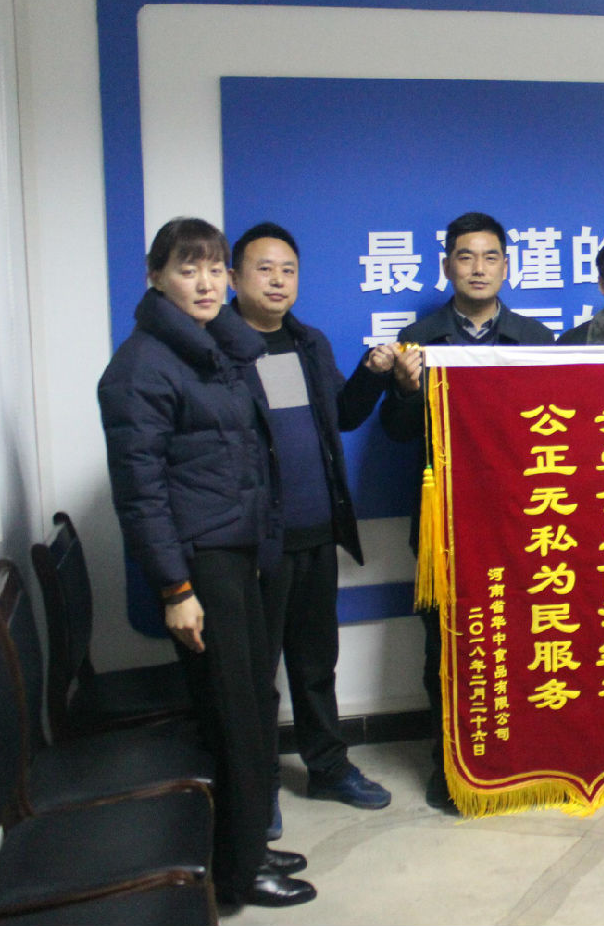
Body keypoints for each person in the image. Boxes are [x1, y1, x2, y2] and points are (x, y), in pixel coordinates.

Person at [97, 217, 315, 908]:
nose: (205, 283)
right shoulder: (142, 367)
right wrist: (175, 588)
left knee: (250, 702)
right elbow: (141, 494)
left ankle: (244, 845)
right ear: (155, 276)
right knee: (232, 715)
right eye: (188, 269)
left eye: (215, 269)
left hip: (239, 549)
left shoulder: (215, 350)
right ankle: (240, 872)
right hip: (202, 562)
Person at [380, 211, 556, 812]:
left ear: (507, 267)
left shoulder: (536, 340)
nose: (478, 269)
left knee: (527, 637)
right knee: (447, 648)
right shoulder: (419, 338)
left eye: (490, 257)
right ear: (447, 266)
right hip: (447, 526)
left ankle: (522, 757)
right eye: (465, 257)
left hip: (525, 523)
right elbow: (396, 434)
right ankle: (451, 765)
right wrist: (406, 389)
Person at [228, 222, 397, 836]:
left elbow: (343, 416)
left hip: (316, 532)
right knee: (255, 674)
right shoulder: (218, 350)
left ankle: (327, 767)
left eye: (288, 270)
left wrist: (373, 372)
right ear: (234, 277)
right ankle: (258, 787)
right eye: (264, 269)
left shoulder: (308, 343)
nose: (278, 281)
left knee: (315, 662)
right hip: (255, 542)